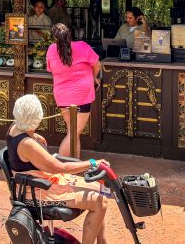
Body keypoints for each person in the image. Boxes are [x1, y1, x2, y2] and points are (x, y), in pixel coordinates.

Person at [7, 94, 109, 244]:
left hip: (34, 182)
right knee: (100, 201)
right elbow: (61, 167)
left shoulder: (14, 127)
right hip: (36, 191)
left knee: (100, 189)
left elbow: (24, 131)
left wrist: (35, 135)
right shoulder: (27, 144)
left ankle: (102, 242)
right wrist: (92, 163)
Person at [46, 23, 102, 159]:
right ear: (69, 34)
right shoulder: (82, 46)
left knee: (73, 131)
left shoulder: (51, 49)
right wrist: (94, 77)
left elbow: (50, 69)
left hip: (62, 95)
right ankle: (61, 164)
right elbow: (97, 64)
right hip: (81, 94)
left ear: (54, 37)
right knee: (74, 133)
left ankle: (74, 163)